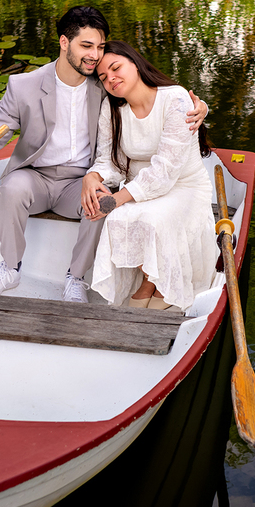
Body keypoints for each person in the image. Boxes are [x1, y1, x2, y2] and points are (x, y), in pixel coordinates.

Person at [0, 6, 207, 302]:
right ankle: (10, 267)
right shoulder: (24, 87)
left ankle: (76, 278)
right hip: (35, 177)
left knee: (100, 199)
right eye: (86, 46)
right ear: (63, 42)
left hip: (80, 181)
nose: (95, 56)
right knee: (12, 187)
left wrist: (200, 107)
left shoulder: (105, 86)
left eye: (99, 47)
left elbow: (152, 94)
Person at [81, 40, 218, 311]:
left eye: (116, 68)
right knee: (118, 218)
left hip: (183, 186)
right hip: (139, 188)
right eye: (103, 77)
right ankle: (149, 282)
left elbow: (165, 172)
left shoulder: (175, 99)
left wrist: (116, 199)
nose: (111, 78)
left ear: (135, 62)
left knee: (154, 219)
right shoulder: (112, 109)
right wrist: (93, 177)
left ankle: (163, 287)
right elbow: (111, 161)